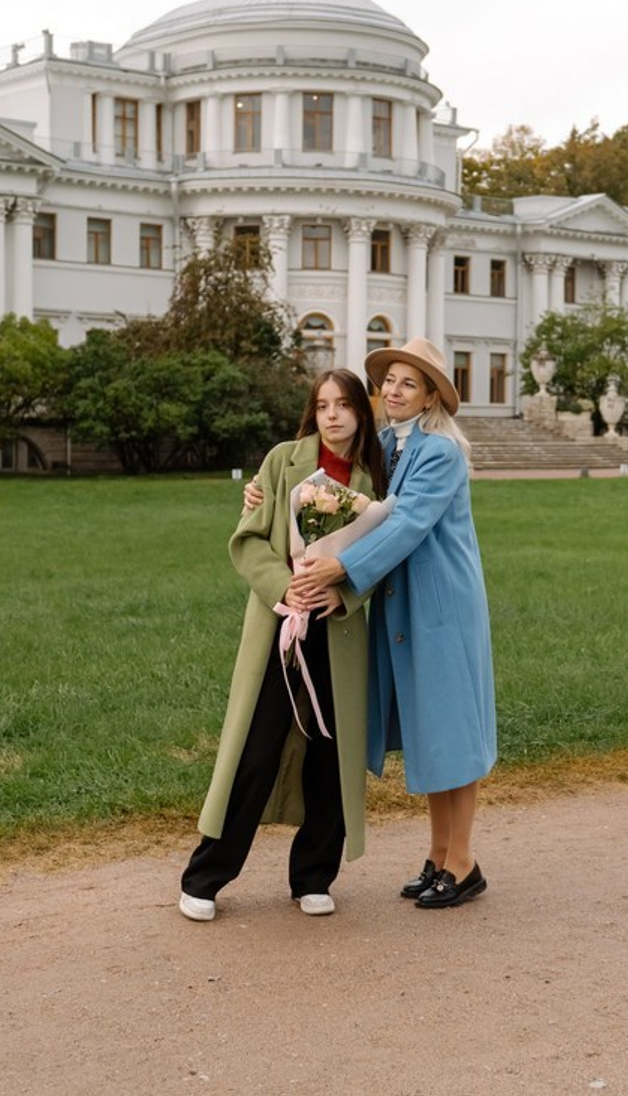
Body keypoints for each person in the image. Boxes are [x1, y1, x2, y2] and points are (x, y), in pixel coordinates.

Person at [286, 336, 497, 909]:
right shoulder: (385, 444)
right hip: (402, 606)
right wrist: (264, 489)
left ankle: (463, 862)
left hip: (442, 608)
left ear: (431, 396)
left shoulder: (441, 452)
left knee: (452, 733)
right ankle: (437, 855)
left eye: (410, 383)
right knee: (429, 734)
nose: (395, 391)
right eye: (390, 381)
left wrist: (341, 567)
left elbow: (407, 524)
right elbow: (334, 483)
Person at [178, 369, 387, 922]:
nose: (333, 416)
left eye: (343, 405)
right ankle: (205, 877)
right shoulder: (280, 462)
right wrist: (284, 586)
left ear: (361, 412)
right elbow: (247, 539)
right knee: (256, 749)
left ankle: (314, 876)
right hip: (280, 627)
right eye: (322, 406)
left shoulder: (374, 478)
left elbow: (384, 556)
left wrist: (343, 592)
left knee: (330, 754)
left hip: (337, 632)